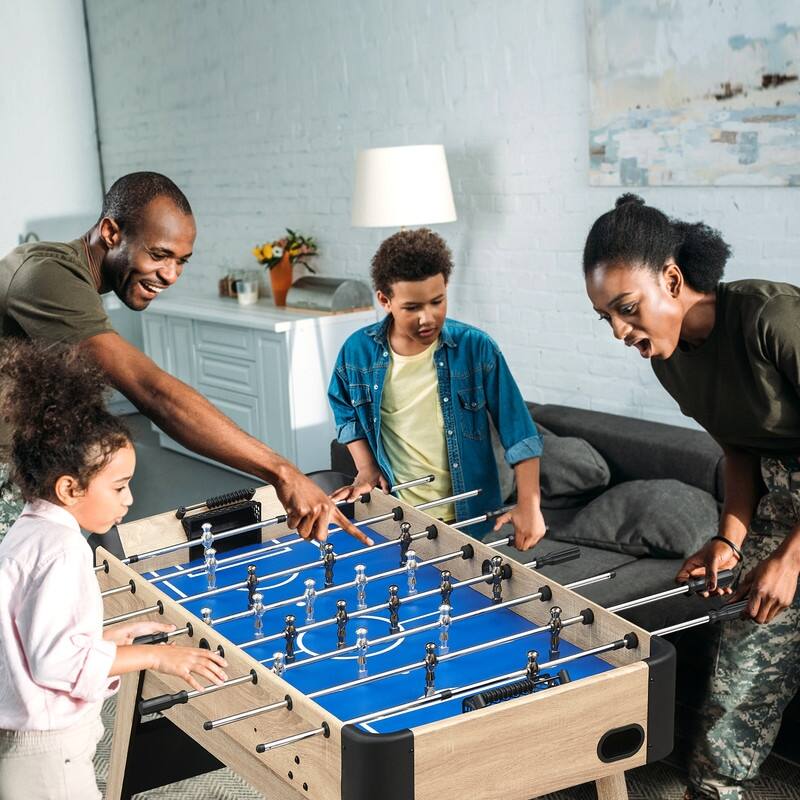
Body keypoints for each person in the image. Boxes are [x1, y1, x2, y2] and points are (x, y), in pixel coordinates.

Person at [0, 172, 367, 547]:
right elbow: (151, 391)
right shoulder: (46, 275)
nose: (170, 274)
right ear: (111, 232)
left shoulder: (69, 276)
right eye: (158, 255)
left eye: (181, 261)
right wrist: (282, 472)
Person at [583, 193, 800, 800]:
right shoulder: (669, 359)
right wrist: (730, 540)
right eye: (606, 318)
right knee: (747, 644)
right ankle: (718, 784)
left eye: (627, 309)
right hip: (782, 497)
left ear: (672, 280)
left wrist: (790, 559)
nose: (621, 332)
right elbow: (739, 451)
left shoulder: (770, 318)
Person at [0, 340, 229, 799]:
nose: (129, 500)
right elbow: (55, 662)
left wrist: (107, 639)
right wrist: (157, 656)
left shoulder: (29, 531)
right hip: (49, 750)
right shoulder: (65, 551)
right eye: (120, 486)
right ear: (69, 488)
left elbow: (31, 638)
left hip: (25, 738)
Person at [328, 228, 545, 548]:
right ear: (385, 300)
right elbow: (344, 408)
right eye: (412, 307)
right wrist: (366, 467)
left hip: (471, 519)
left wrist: (530, 505)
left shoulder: (476, 348)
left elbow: (520, 432)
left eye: (437, 301)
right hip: (399, 514)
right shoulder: (357, 351)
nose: (427, 318)